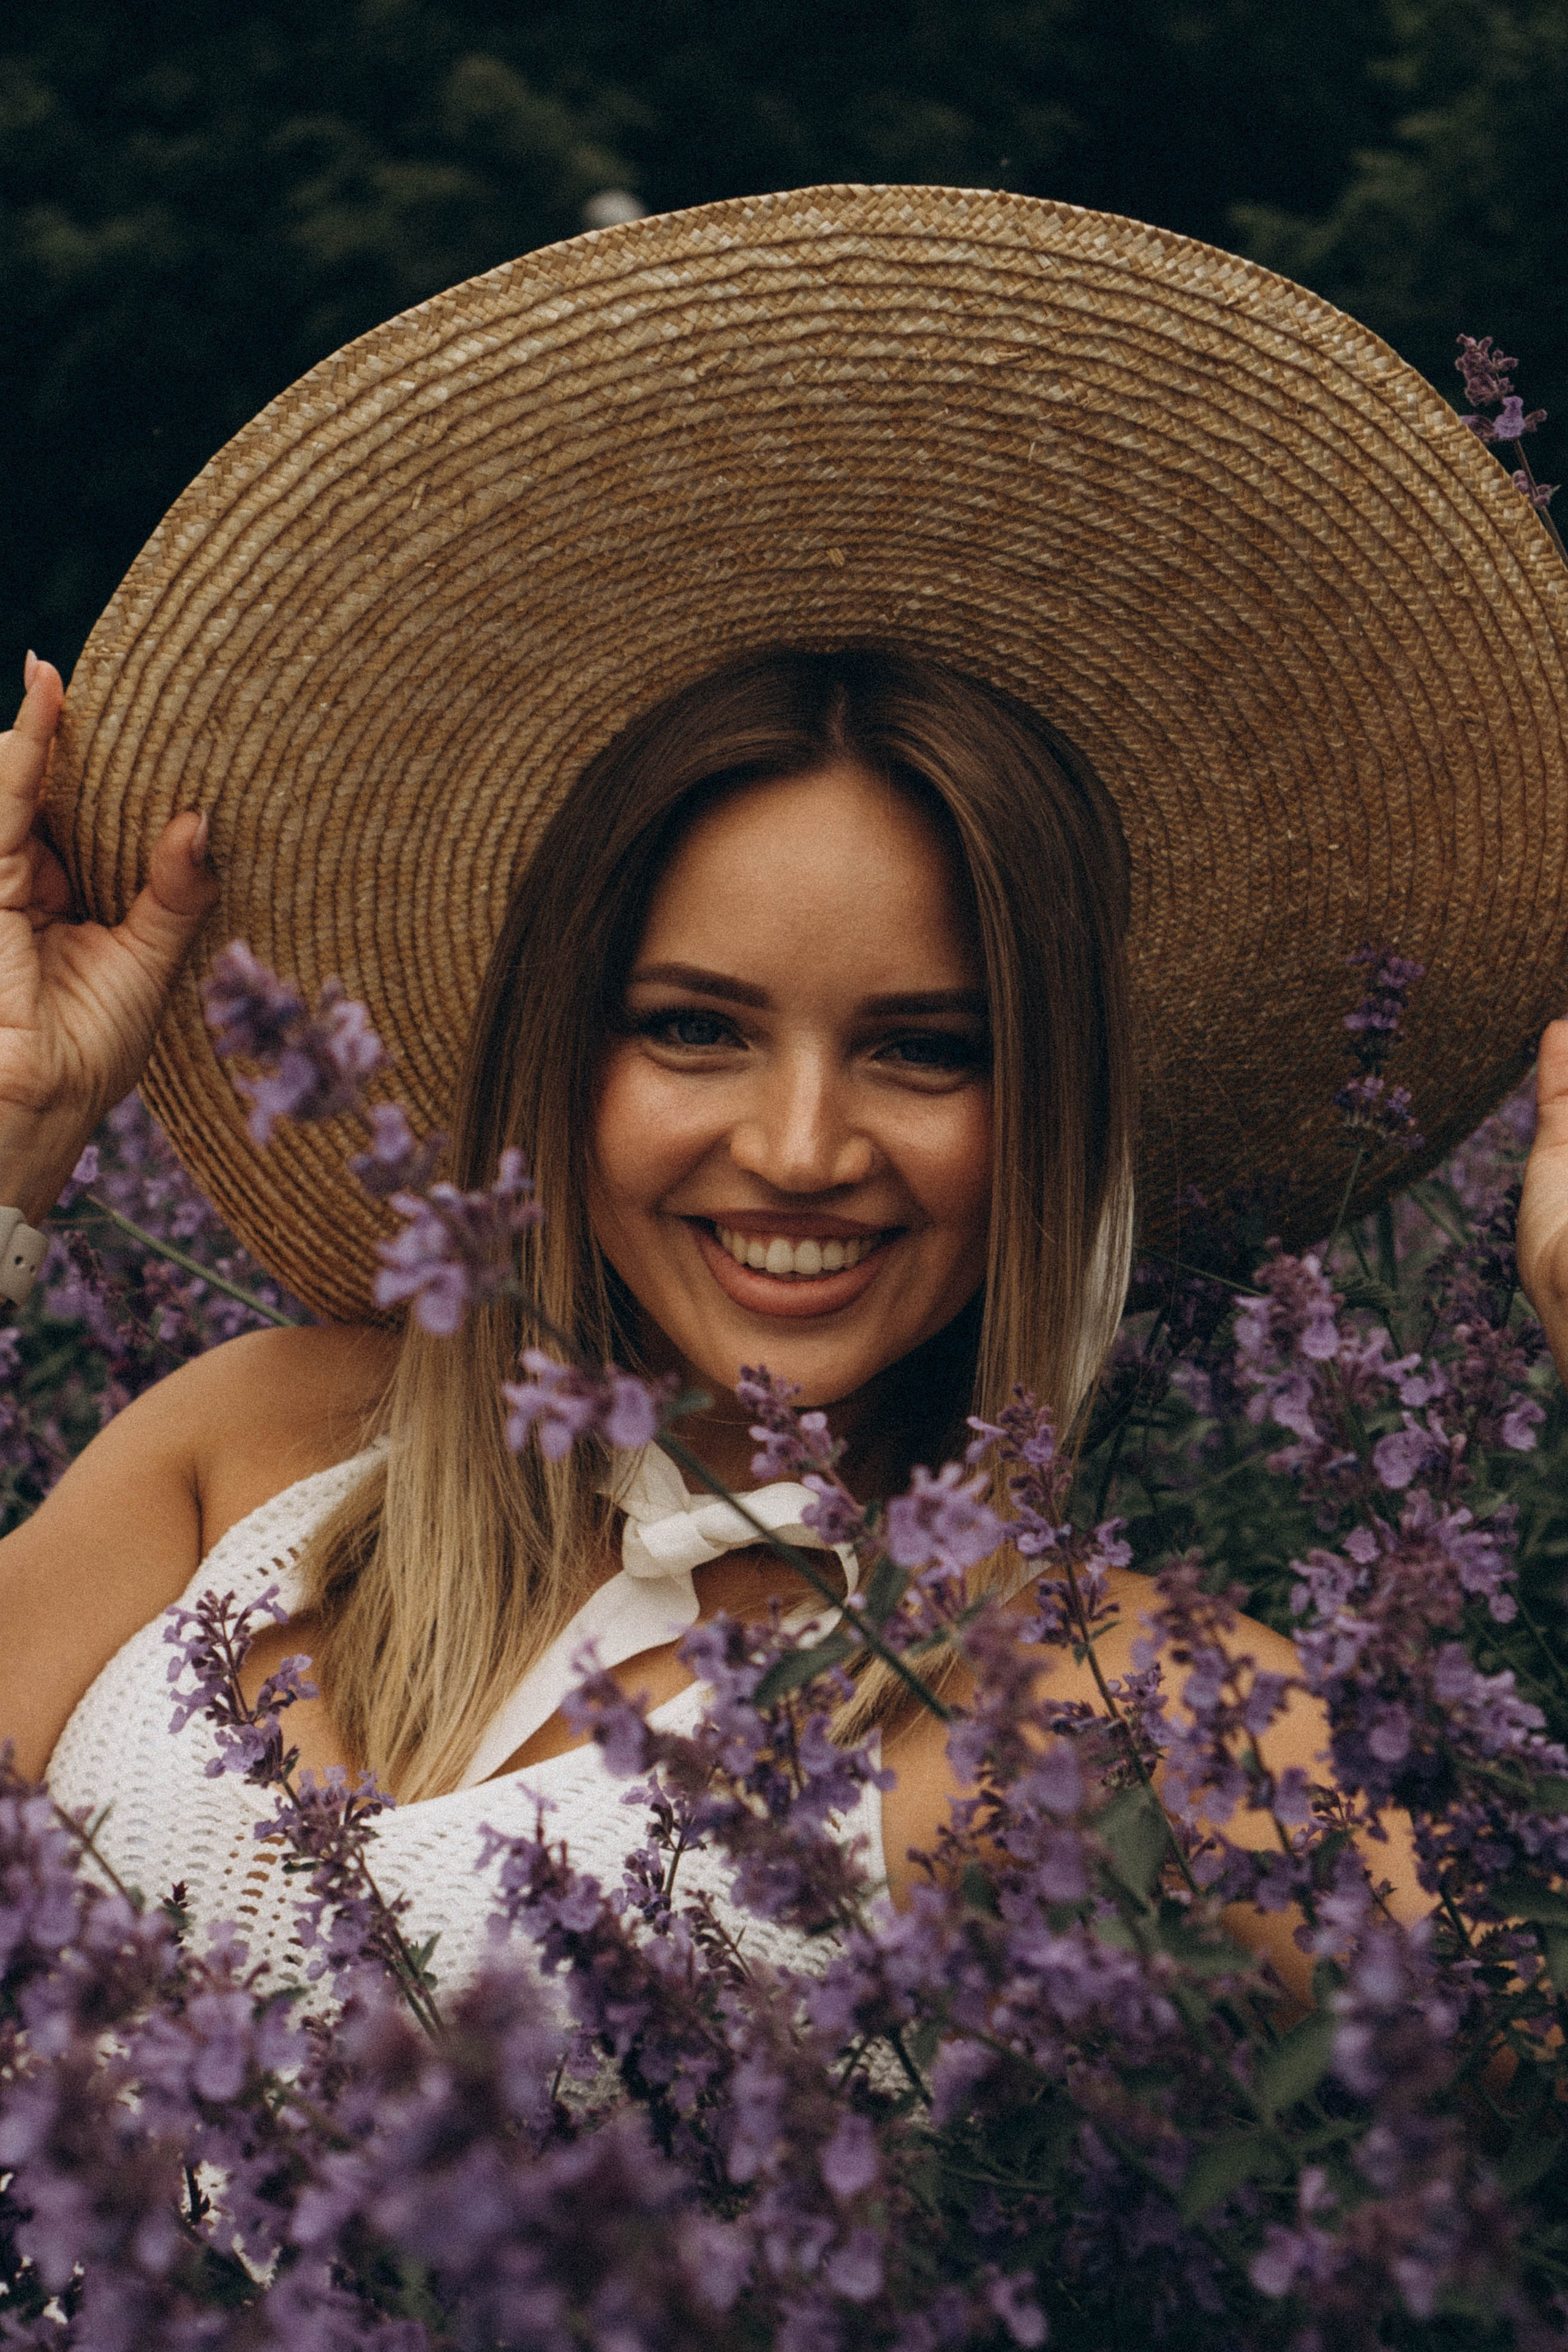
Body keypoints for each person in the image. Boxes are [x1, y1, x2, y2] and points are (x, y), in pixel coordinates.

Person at [1, 184, 1564, 2002]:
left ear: (1048, 1105)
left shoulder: (1114, 1712)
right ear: (559, 1055)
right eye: (693, 1027)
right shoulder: (262, 1447)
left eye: (929, 1047)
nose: (804, 1149)